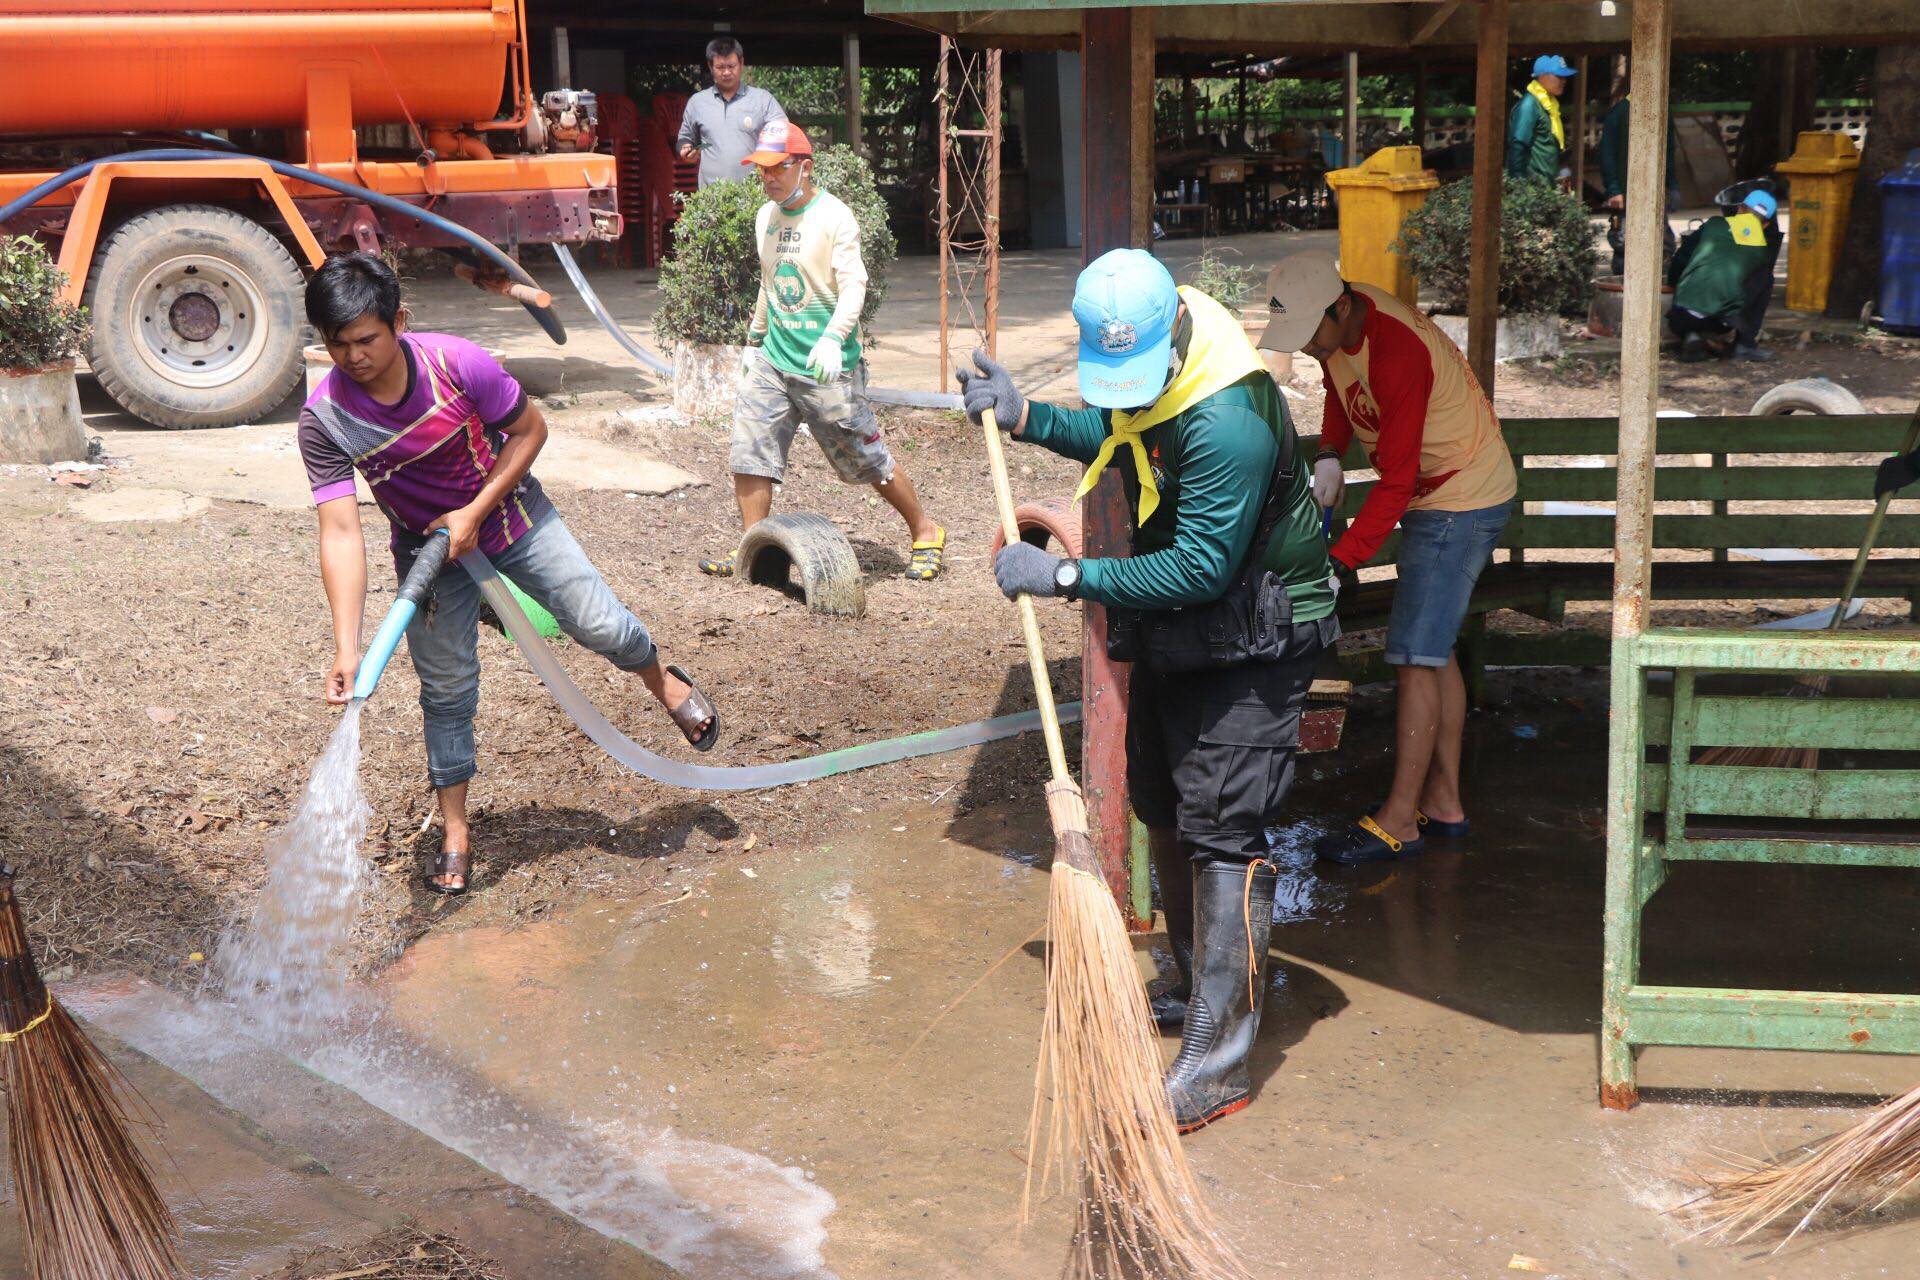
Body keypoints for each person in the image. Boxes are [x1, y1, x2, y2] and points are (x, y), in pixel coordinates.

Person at [959, 250, 1338, 1133]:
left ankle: (1220, 1061)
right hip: (1195, 623)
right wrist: (1028, 418)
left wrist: (1063, 577)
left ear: (1173, 334)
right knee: (1165, 803)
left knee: (1225, 828)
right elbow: (1121, 436)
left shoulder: (1231, 418)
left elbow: (1202, 566)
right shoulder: (1163, 374)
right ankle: (1190, 977)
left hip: (1260, 628)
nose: (1124, 394)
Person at [299, 254, 719, 896]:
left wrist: (472, 511)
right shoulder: (326, 419)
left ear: (399, 323)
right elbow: (340, 530)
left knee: (597, 622)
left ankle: (662, 680)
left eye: (366, 340)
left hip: (511, 514)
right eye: (337, 345)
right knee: (446, 689)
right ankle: (457, 830)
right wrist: (349, 648)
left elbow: (530, 430)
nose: (353, 357)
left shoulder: (454, 364)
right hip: (428, 552)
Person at [1257, 251, 1516, 868]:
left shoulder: (1397, 352)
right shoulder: (1345, 323)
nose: (1310, 351)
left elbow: (1395, 484)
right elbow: (1339, 384)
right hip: (1440, 490)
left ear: (1340, 307)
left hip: (1459, 498)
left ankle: (1401, 819)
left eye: (1309, 336)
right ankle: (1445, 803)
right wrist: (1328, 451)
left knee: (1412, 657)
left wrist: (1338, 562)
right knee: (1433, 651)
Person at [700, 124, 946, 582]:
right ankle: (753, 554)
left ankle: (925, 530)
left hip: (825, 367)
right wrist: (755, 342)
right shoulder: (765, 218)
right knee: (749, 451)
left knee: (865, 459)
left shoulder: (835, 217)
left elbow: (855, 285)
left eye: (778, 168)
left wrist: (833, 337)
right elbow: (769, 284)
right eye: (762, 170)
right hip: (774, 361)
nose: (768, 178)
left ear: (805, 167)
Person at [1667, 188, 1781, 363]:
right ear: (1765, 225)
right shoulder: (1761, 252)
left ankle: (1691, 334)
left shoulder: (1713, 225)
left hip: (1679, 316)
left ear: (1739, 209)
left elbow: (1680, 259)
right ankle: (1745, 345)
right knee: (1765, 280)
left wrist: (1673, 286)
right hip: (1719, 323)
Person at [675, 37, 787, 190]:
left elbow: (783, 133)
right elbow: (685, 138)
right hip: (711, 197)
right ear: (710, 66)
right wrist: (685, 149)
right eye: (720, 67)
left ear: (741, 63)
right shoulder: (697, 103)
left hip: (754, 195)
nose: (726, 72)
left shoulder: (762, 100)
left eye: (731, 66)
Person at [1598, 74, 1679, 275]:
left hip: (1654, 192)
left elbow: (1668, 153)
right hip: (1626, 193)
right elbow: (1607, 154)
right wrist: (1614, 189)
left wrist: (1673, 185)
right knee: (1624, 245)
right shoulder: (1618, 114)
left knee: (1663, 245)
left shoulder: (1662, 112)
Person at [1507, 54, 1578, 186]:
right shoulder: (1529, 105)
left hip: (1547, 189)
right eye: (1559, 76)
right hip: (1532, 192)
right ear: (1543, 76)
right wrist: (1518, 188)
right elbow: (1518, 145)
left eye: (1564, 76)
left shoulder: (1549, 106)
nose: (1564, 80)